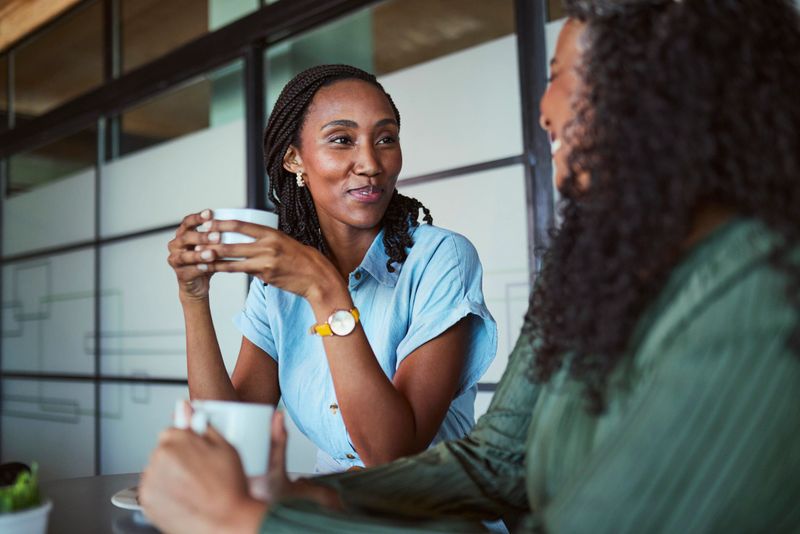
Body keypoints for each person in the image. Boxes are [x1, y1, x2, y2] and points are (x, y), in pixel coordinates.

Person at [143, 0, 800, 532]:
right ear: (294, 160)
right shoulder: (591, 269)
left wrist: (245, 520)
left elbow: (402, 450)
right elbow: (495, 464)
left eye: (561, 75)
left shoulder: (765, 296)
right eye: (341, 140)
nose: (545, 110)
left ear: (658, 92)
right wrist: (305, 501)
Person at [165, 64, 497, 473]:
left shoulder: (441, 259)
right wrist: (193, 298)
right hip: (332, 511)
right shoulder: (279, 287)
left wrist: (325, 290)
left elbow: (393, 455)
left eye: (386, 139)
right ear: (293, 159)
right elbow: (233, 443)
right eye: (342, 140)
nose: (371, 163)